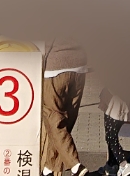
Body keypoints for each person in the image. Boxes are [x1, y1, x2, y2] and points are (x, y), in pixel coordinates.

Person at [41, 40, 88, 176]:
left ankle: (75, 166)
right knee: (65, 124)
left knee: (53, 119)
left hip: (55, 68)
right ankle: (49, 169)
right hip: (79, 67)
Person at [100, 89, 130, 176]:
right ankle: (111, 164)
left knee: (111, 138)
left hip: (115, 103)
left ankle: (124, 164)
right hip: (118, 103)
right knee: (110, 137)